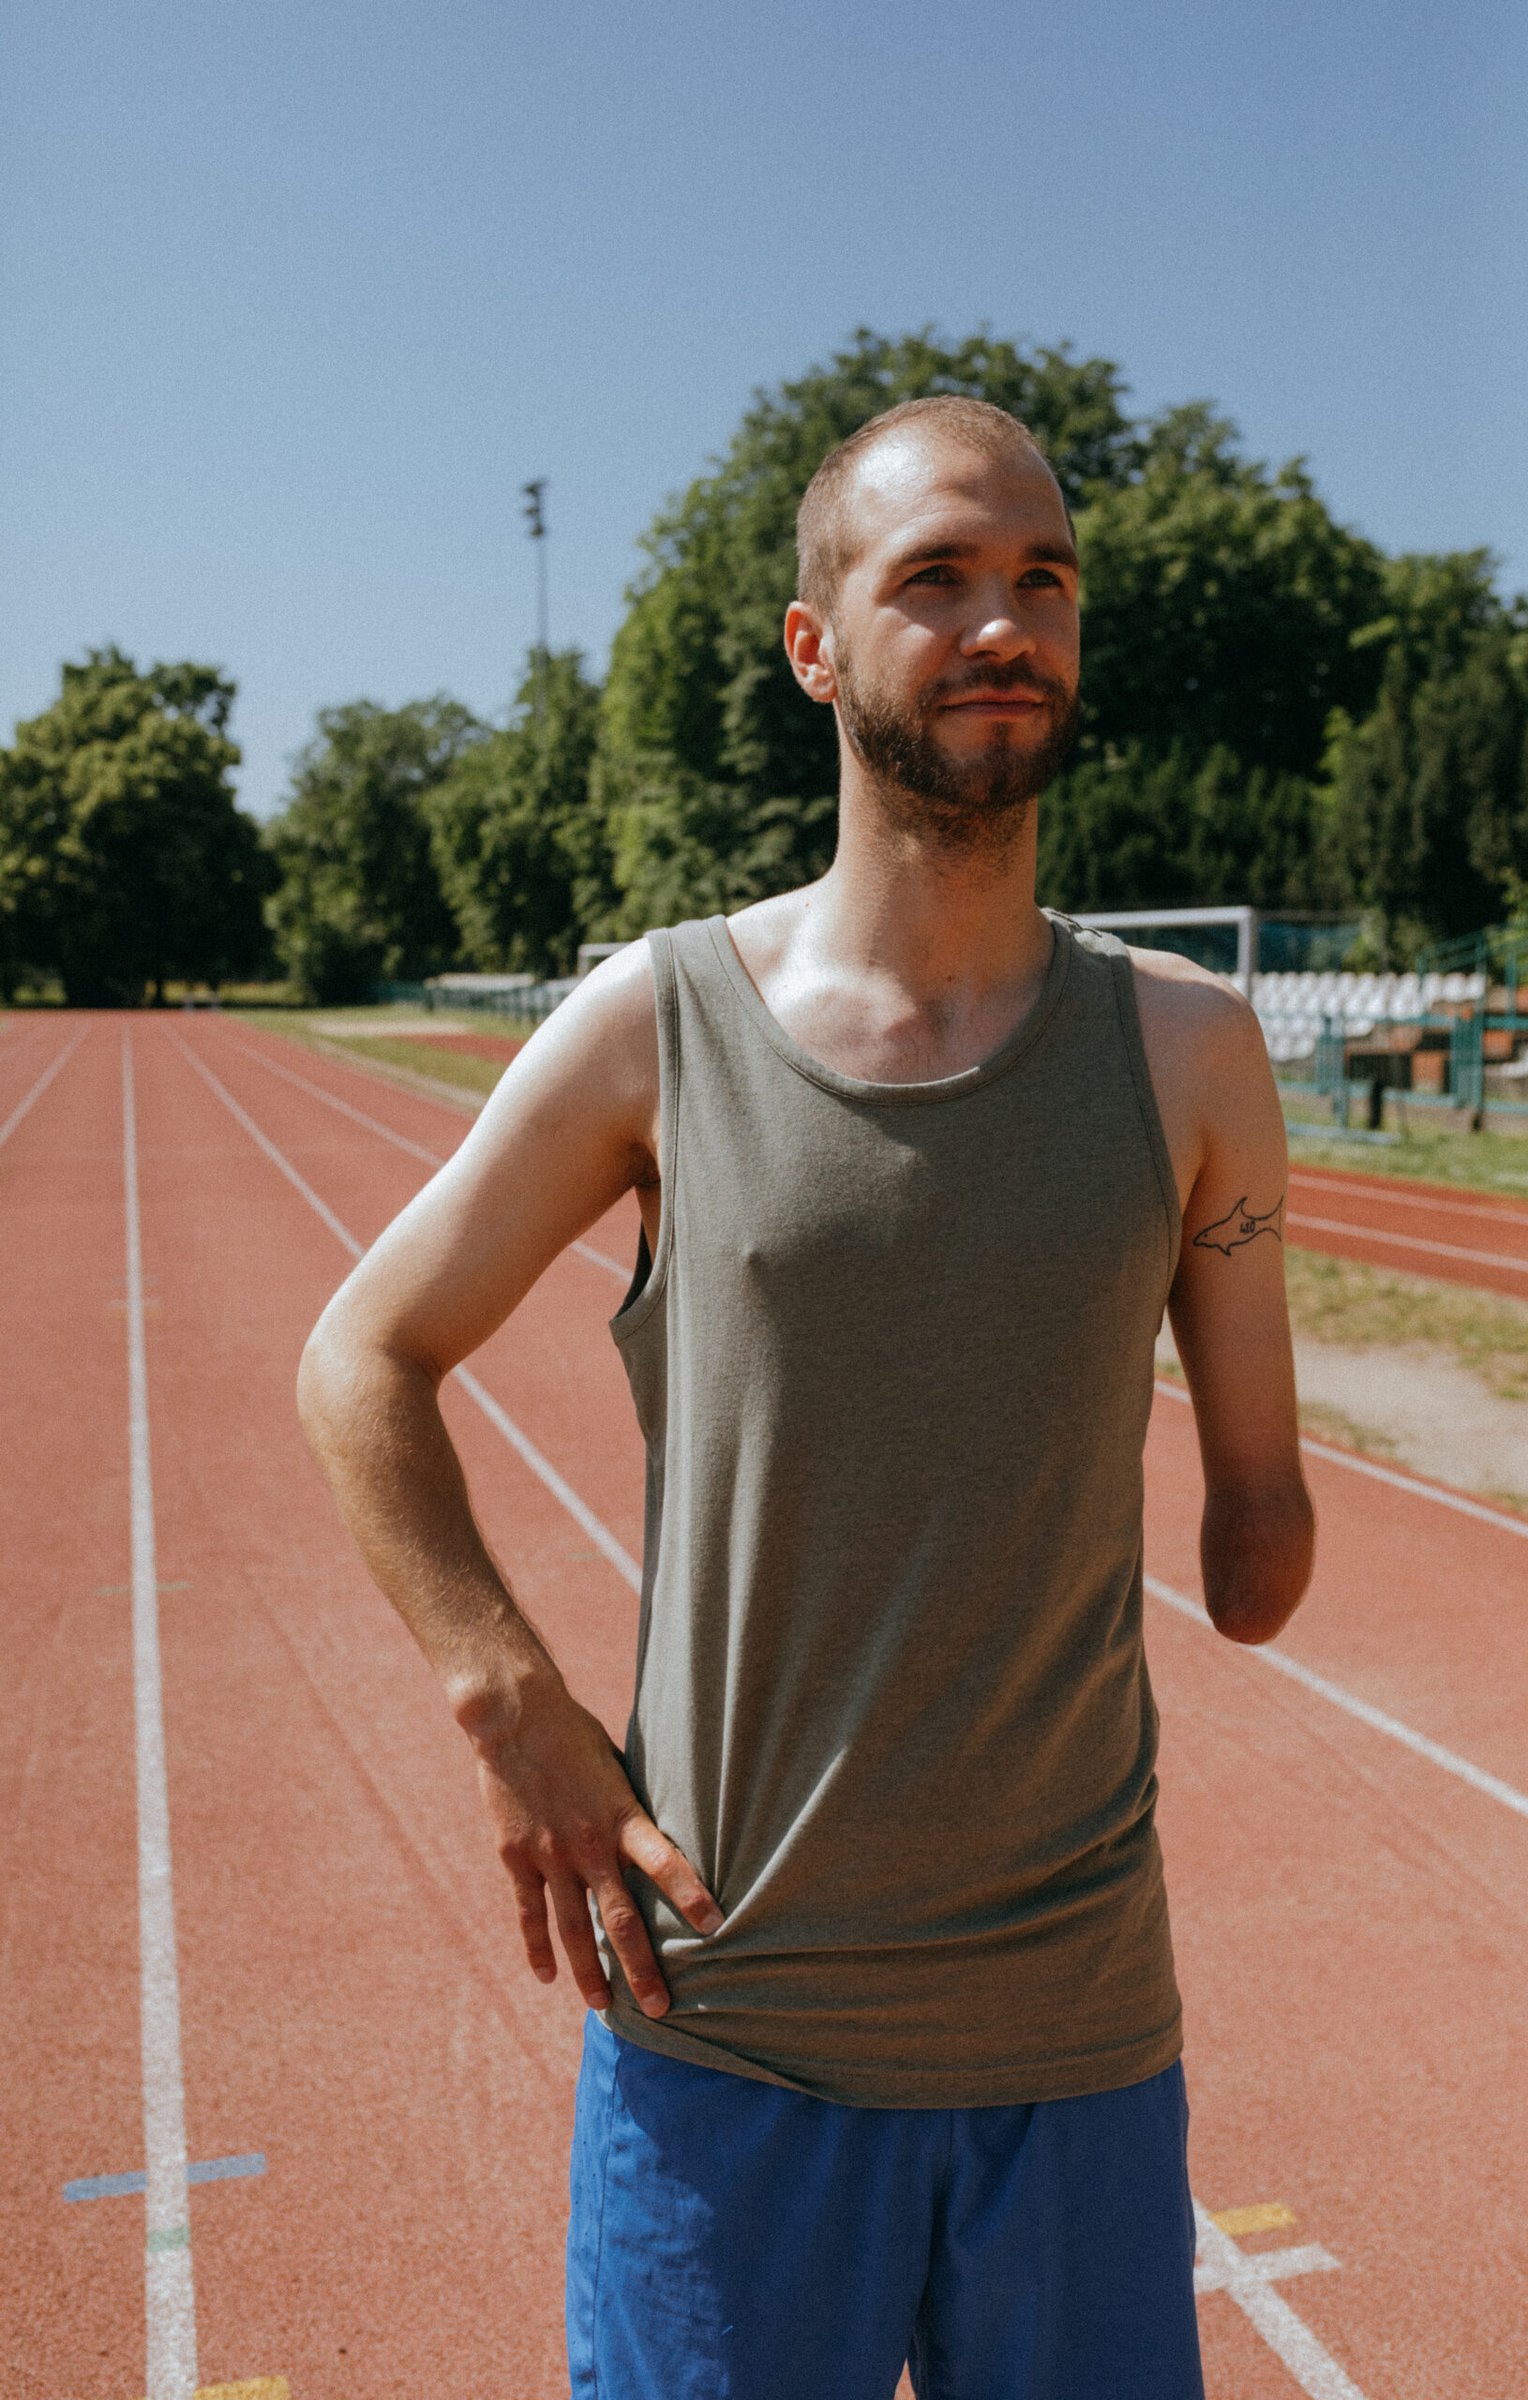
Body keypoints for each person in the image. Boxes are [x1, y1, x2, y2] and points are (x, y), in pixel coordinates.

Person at [298, 394, 1316, 2399]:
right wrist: (508, 1699)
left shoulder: (1193, 1055)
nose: (998, 622)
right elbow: (363, 1357)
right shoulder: (656, 1023)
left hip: (1075, 2039)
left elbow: (1257, 1541)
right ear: (811, 646)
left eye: (1040, 578)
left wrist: (1238, 1465)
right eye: (927, 579)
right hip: (726, 2031)